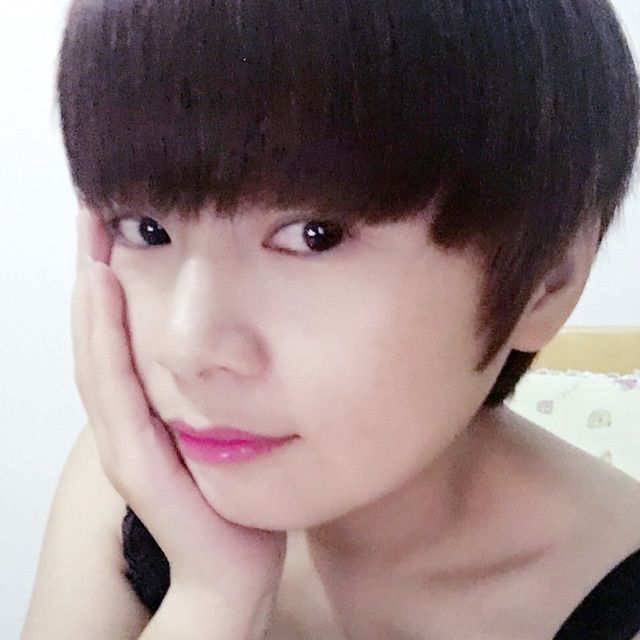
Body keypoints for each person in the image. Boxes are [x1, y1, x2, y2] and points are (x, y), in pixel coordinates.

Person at [21, 0, 640, 638]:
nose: (187, 346)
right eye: (145, 229)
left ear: (545, 283)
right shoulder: (135, 478)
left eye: (313, 236)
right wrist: (214, 596)